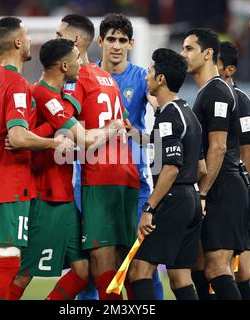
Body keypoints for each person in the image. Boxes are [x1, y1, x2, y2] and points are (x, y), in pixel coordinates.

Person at [9, 39, 123, 300]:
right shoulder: (45, 95)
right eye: (76, 58)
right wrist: (110, 128)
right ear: (63, 65)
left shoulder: (59, 96)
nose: (81, 62)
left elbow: (75, 137)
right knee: (25, 272)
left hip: (63, 195)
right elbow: (84, 139)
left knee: (83, 271)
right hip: (44, 196)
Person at [0, 17, 73, 300]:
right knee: (8, 265)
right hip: (7, 186)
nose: (30, 40)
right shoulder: (15, 83)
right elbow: (17, 138)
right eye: (27, 35)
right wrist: (55, 141)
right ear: (18, 42)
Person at [57, 14, 140, 300]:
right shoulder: (107, 78)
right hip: (128, 175)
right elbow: (125, 125)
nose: (56, 40)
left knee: (100, 263)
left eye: (60, 36)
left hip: (101, 177)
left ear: (75, 41)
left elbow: (65, 127)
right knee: (119, 264)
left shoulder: (76, 77)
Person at [95, 13, 164, 300]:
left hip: (134, 181)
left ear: (131, 43)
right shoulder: (85, 76)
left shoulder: (140, 78)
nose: (116, 45)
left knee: (139, 261)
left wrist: (157, 106)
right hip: (93, 183)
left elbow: (162, 105)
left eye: (123, 40)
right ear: (100, 41)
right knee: (96, 263)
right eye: (111, 39)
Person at [127, 48, 203, 300]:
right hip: (190, 199)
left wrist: (149, 208)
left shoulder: (169, 115)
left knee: (139, 271)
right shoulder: (186, 112)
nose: (146, 76)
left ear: (160, 79)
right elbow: (200, 167)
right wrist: (135, 134)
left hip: (172, 199)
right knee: (180, 277)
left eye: (150, 72)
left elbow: (170, 167)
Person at [181, 28, 248, 300]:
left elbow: (219, 147)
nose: (183, 54)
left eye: (189, 49)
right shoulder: (206, 91)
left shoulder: (217, 92)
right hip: (216, 186)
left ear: (208, 54)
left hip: (224, 187)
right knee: (199, 265)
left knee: (217, 267)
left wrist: (203, 192)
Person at [217, 41, 250, 300]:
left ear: (229, 70)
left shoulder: (240, 100)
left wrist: (238, 189)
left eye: (216, 63)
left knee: (241, 269)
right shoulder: (211, 95)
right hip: (226, 188)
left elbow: (248, 152)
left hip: (238, 188)